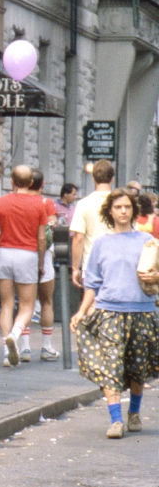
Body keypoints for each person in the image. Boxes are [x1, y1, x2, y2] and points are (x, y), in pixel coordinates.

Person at [70, 188, 159, 439]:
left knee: (137, 369)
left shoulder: (147, 241)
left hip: (141, 311)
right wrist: (81, 312)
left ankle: (134, 412)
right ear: (110, 211)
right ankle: (116, 420)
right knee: (112, 366)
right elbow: (93, 284)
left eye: (127, 207)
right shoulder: (101, 244)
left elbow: (156, 274)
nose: (123, 211)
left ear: (134, 211)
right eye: (118, 207)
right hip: (109, 312)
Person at [0, 165, 48, 367]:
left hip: (4, 253)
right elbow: (41, 238)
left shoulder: (0, 202)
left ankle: (6, 351)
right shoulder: (39, 205)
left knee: (6, 304)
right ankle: (16, 333)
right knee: (27, 305)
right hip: (27, 254)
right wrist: (40, 263)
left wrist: (3, 235)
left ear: (11, 181)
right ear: (31, 183)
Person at [20, 168, 60, 362]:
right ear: (42, 185)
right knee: (46, 302)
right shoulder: (46, 203)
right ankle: (46, 346)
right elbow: (52, 223)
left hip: (23, 254)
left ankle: (25, 347)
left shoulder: (20, 202)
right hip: (43, 256)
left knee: (25, 303)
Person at [71, 159, 115, 287]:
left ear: (93, 179)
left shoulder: (83, 204)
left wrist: (75, 268)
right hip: (116, 264)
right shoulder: (122, 204)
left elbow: (78, 238)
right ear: (112, 179)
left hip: (91, 264)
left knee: (91, 304)